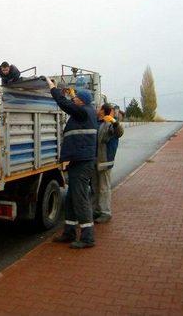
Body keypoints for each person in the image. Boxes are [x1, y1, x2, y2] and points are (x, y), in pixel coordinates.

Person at [45, 77, 98, 249]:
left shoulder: (83, 112)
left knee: (80, 198)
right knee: (69, 198)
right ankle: (69, 232)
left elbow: (64, 104)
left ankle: (87, 237)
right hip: (78, 160)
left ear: (81, 101)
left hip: (82, 162)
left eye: (75, 99)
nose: (73, 100)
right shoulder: (85, 111)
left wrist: (52, 87)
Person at [92, 103, 124, 223]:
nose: (96, 109)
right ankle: (96, 210)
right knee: (95, 187)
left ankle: (106, 212)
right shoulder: (95, 122)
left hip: (104, 161)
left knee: (104, 188)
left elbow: (119, 133)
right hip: (94, 160)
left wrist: (114, 122)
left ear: (103, 111)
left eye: (99, 108)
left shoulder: (110, 123)